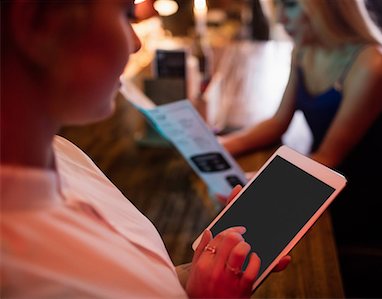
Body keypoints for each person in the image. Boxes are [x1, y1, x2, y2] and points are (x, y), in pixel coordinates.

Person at [0, 1, 289, 297]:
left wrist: (205, 272)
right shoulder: (19, 273)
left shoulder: (63, 153)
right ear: (37, 23)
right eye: (126, 14)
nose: (137, 44)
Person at [220, 0, 382, 244]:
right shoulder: (304, 49)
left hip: (365, 190)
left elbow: (329, 156)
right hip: (322, 168)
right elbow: (278, 122)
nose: (279, 20)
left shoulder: (372, 64)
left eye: (290, 5)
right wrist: (223, 145)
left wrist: (261, 184)